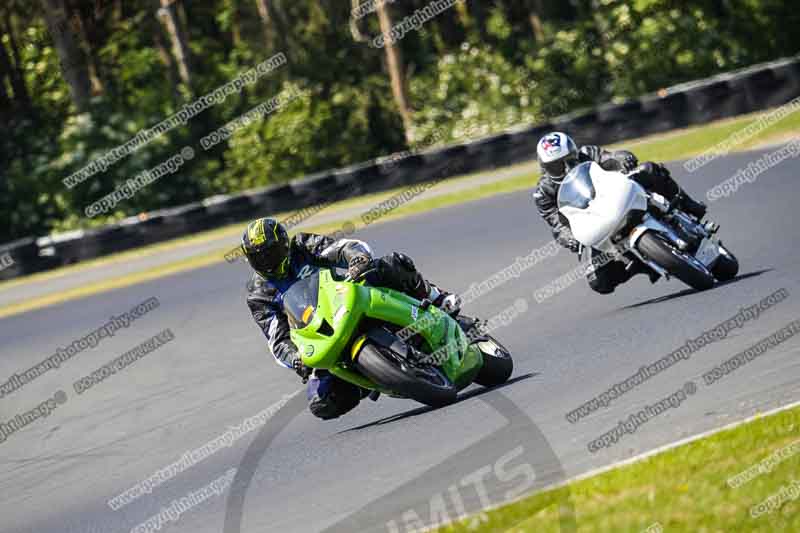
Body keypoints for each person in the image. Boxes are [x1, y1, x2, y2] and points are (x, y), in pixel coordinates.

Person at [242, 218, 461, 420]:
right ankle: (370, 378)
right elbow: (276, 339)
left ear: (283, 244)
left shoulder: (302, 244)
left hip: (347, 296)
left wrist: (357, 259)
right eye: (257, 256)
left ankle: (435, 297)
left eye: (269, 252)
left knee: (390, 264)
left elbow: (342, 247)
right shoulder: (258, 293)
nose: (265, 260)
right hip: (321, 331)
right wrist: (296, 358)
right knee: (322, 404)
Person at [532, 132, 709, 294]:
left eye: (570, 160)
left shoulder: (587, 153)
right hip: (594, 224)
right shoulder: (543, 192)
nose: (565, 169)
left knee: (648, 169)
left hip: (617, 196)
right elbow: (555, 222)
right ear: (545, 168)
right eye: (556, 166)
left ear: (576, 154)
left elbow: (609, 158)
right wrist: (568, 237)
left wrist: (623, 158)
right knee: (598, 281)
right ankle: (637, 264)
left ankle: (687, 204)